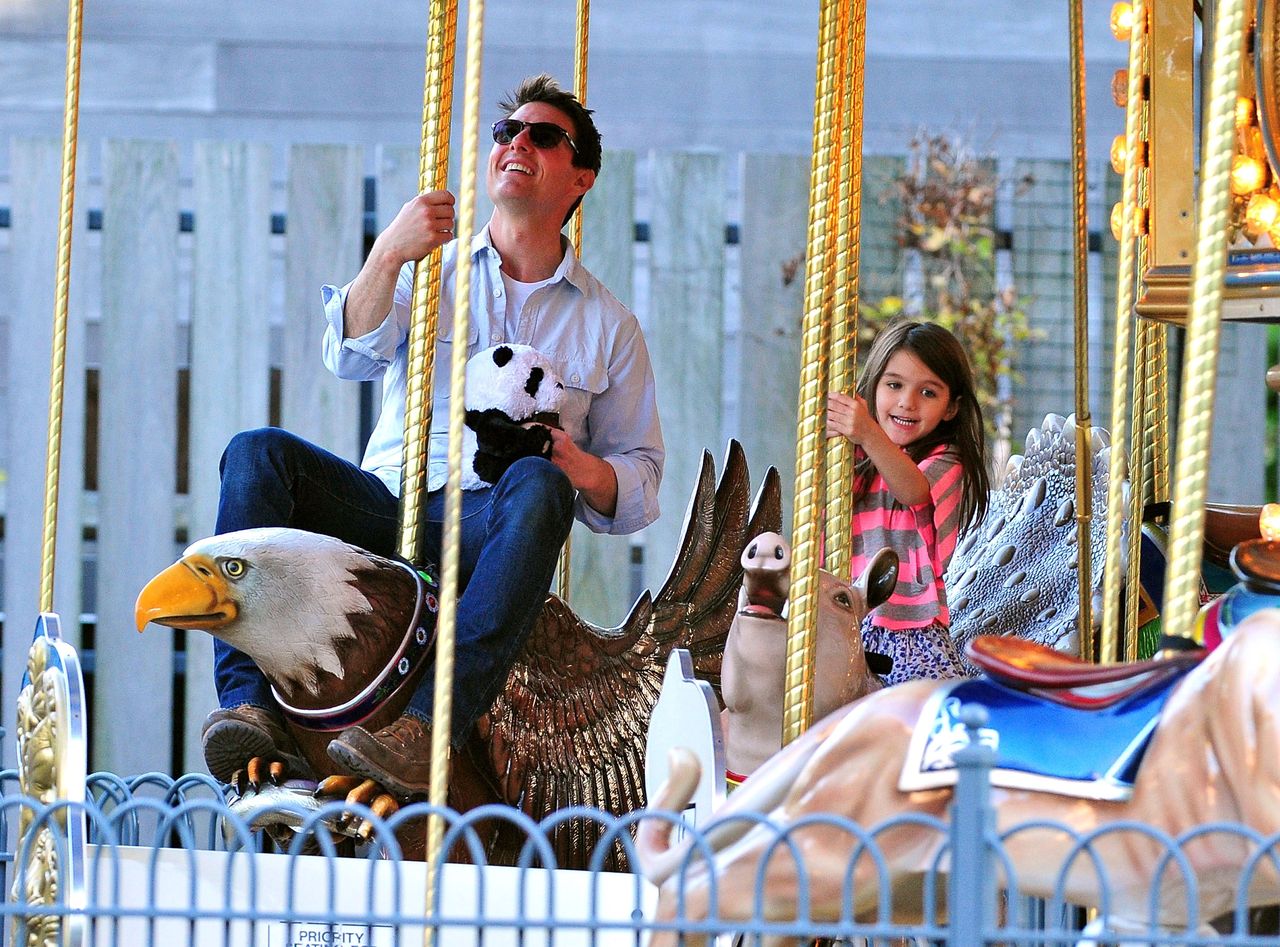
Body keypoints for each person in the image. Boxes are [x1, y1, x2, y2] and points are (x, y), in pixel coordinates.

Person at [203, 74, 664, 799]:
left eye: (543, 136)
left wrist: (572, 461)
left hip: (486, 525)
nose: (518, 144)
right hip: (386, 504)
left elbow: (638, 483)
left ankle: (425, 726)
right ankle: (246, 703)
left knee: (541, 485)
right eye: (507, 132)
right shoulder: (431, 267)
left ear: (582, 177)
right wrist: (389, 251)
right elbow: (348, 350)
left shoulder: (609, 325)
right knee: (256, 452)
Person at [825, 320, 988, 684]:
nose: (907, 403)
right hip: (845, 621)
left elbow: (912, 490)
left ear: (950, 408)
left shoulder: (947, 459)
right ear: (874, 388)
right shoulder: (854, 459)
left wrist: (867, 431)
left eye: (928, 393)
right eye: (894, 385)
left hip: (907, 628)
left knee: (925, 713)